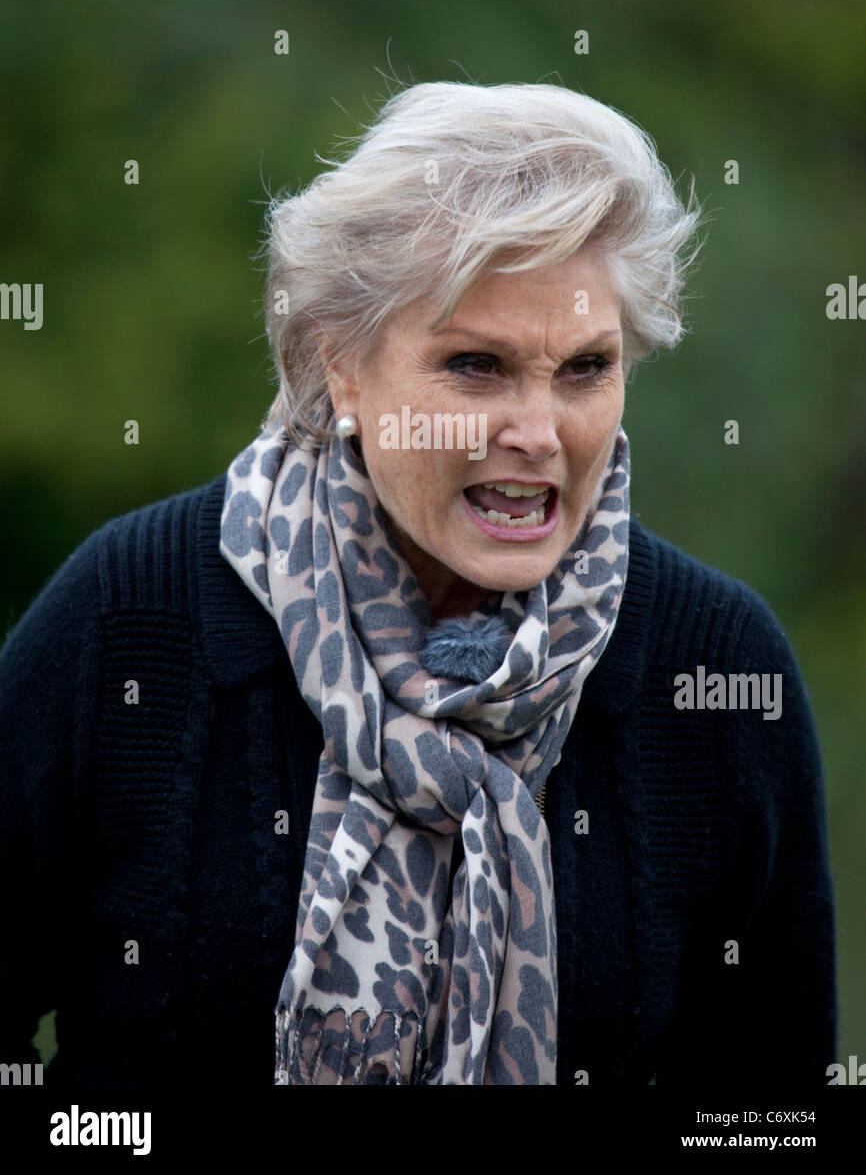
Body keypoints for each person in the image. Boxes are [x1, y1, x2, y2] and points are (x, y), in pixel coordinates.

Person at [0, 81, 836, 1087]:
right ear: (341, 365)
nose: (537, 431)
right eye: (475, 366)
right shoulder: (127, 620)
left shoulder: (714, 667)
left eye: (582, 369)